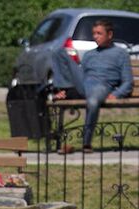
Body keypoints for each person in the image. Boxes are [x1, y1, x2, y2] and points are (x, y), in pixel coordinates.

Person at [51, 19, 133, 154]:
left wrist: (117, 94)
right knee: (58, 52)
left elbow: (128, 81)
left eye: (99, 33)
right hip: (85, 83)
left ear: (110, 34)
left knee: (93, 101)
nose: (95, 37)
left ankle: (86, 143)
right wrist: (65, 89)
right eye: (94, 33)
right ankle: (62, 90)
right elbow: (79, 77)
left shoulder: (120, 54)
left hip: (103, 86)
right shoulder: (89, 55)